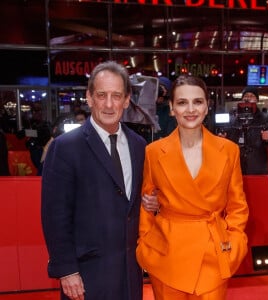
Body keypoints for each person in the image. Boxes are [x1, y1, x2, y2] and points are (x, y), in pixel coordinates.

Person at [41, 61, 156, 300]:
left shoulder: (139, 146)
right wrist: (67, 270)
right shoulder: (65, 147)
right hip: (86, 275)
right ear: (90, 97)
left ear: (126, 100)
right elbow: (55, 215)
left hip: (129, 272)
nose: (109, 104)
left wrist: (152, 203)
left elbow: (135, 203)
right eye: (102, 95)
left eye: (116, 96)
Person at [136, 74, 249, 300]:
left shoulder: (228, 150)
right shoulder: (154, 152)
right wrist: (145, 242)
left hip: (213, 254)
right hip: (167, 254)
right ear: (171, 108)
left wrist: (235, 244)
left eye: (197, 101)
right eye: (182, 102)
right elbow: (146, 203)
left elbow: (238, 206)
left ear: (207, 106)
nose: (190, 109)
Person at [218, 86, 268, 174]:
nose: (248, 98)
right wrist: (223, 136)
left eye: (251, 96)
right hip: (236, 162)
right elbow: (226, 133)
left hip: (256, 163)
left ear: (257, 100)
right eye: (246, 96)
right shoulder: (233, 117)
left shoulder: (264, 117)